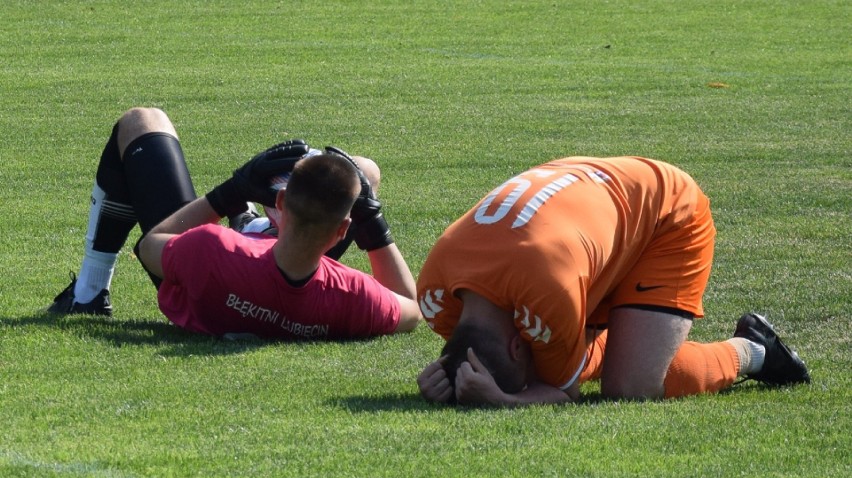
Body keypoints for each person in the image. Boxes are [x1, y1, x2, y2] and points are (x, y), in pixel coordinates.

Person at [416, 156, 810, 406]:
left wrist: (506, 400)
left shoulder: (545, 294)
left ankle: (754, 351)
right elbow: (511, 348)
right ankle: (622, 341)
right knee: (570, 354)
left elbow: (562, 393)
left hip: (666, 216)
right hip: (586, 210)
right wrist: (451, 372)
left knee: (632, 385)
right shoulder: (435, 298)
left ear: (519, 346)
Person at [47, 107, 421, 340]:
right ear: (344, 231)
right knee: (362, 171)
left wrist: (231, 191)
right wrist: (373, 222)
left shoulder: (210, 248)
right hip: (290, 269)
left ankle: (89, 293)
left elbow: (149, 247)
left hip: (215, 275)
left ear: (278, 203)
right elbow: (410, 307)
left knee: (142, 120)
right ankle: (257, 227)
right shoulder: (352, 296)